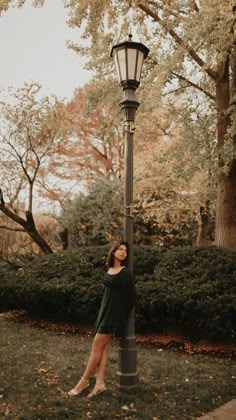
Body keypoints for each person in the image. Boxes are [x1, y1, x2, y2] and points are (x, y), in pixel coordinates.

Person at [68, 239, 136, 398]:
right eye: (120, 249)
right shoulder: (110, 269)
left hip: (113, 316)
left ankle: (84, 381)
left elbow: (131, 297)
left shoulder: (125, 273)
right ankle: (99, 383)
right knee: (103, 348)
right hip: (104, 312)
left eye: (125, 250)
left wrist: (121, 316)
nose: (123, 252)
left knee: (95, 347)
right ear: (113, 252)